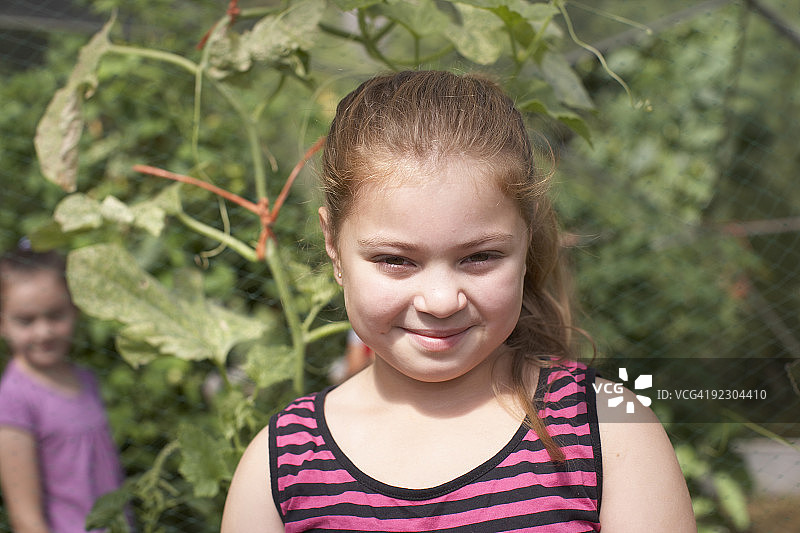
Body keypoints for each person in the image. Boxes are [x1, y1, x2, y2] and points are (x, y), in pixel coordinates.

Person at [221, 70, 696, 532]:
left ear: (526, 239)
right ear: (333, 245)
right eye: (395, 260)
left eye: (480, 257)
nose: (441, 301)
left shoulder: (610, 432)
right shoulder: (282, 463)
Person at [0, 245, 127, 533]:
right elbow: (26, 519)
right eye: (26, 320)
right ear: (1, 323)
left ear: (75, 308)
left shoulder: (85, 378)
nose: (43, 332)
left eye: (55, 315)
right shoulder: (13, 399)